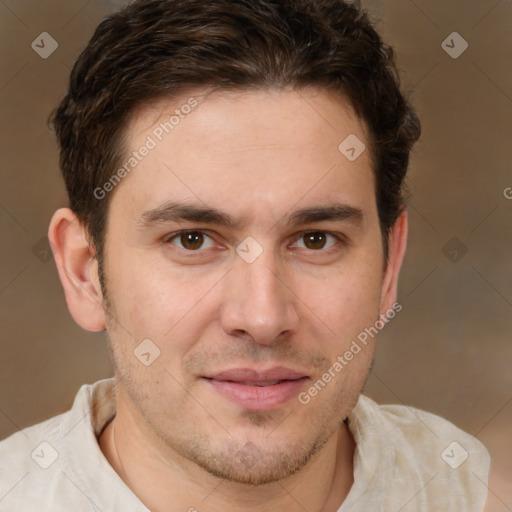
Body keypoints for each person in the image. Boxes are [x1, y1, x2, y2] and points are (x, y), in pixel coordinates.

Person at [0, 0, 490, 510]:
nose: (262, 318)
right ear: (85, 273)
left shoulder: (474, 490)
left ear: (388, 267)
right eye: (192, 239)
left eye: (316, 239)